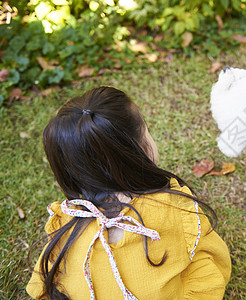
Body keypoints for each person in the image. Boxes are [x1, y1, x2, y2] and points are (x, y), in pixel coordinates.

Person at [26, 86, 231, 299]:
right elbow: (213, 261)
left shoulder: (66, 225)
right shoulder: (175, 209)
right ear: (140, 147)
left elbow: (41, 286)